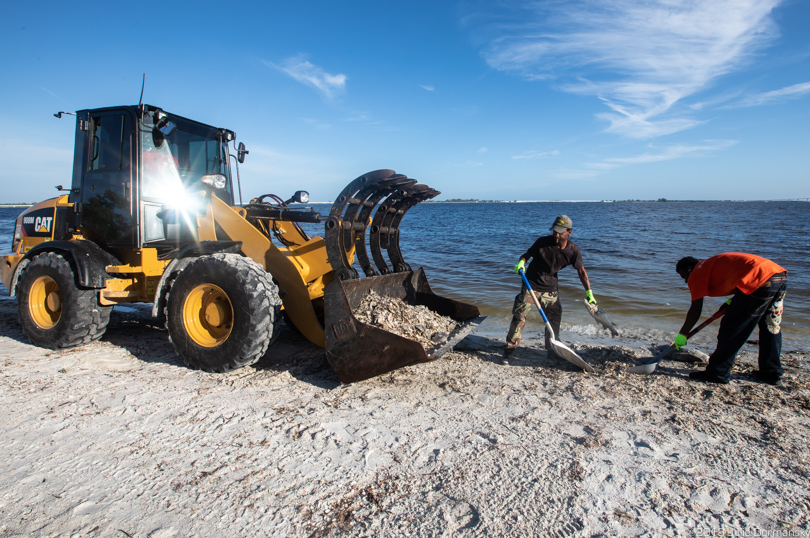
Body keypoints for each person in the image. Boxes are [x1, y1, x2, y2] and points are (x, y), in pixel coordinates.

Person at [674, 253, 787, 385]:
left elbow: (695, 309)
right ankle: (771, 372)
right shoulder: (712, 265)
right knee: (770, 326)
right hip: (778, 276)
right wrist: (732, 302)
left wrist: (682, 334)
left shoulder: (698, 271)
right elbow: (742, 278)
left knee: (731, 328)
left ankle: (717, 373)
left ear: (689, 268)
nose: (686, 281)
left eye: (684, 277)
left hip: (759, 280)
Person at [503, 215, 596, 363]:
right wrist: (521, 263)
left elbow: (581, 272)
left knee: (554, 319)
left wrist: (589, 293)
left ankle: (552, 350)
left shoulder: (573, 250)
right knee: (519, 316)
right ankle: (509, 349)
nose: (556, 234)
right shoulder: (542, 243)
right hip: (531, 285)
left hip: (551, 288)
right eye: (554, 230)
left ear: (569, 232)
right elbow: (526, 255)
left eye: (560, 232)